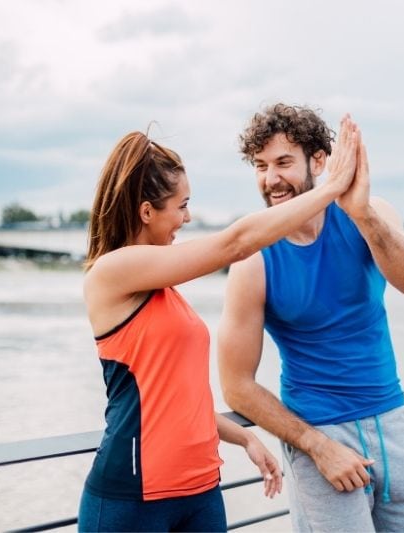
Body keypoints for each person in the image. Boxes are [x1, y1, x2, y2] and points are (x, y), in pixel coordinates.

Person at [78, 117, 360, 532]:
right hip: (133, 497)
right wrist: (332, 189)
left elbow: (172, 400)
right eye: (182, 205)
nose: (187, 218)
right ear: (146, 211)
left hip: (200, 491)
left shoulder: (163, 291)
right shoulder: (111, 272)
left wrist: (243, 436)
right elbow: (235, 243)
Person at [217, 103, 404, 532]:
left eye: (283, 163)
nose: (271, 179)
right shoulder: (253, 259)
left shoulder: (372, 213)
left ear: (319, 161)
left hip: (394, 421)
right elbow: (236, 386)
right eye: (260, 166)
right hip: (319, 434)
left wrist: (362, 213)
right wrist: (316, 446)